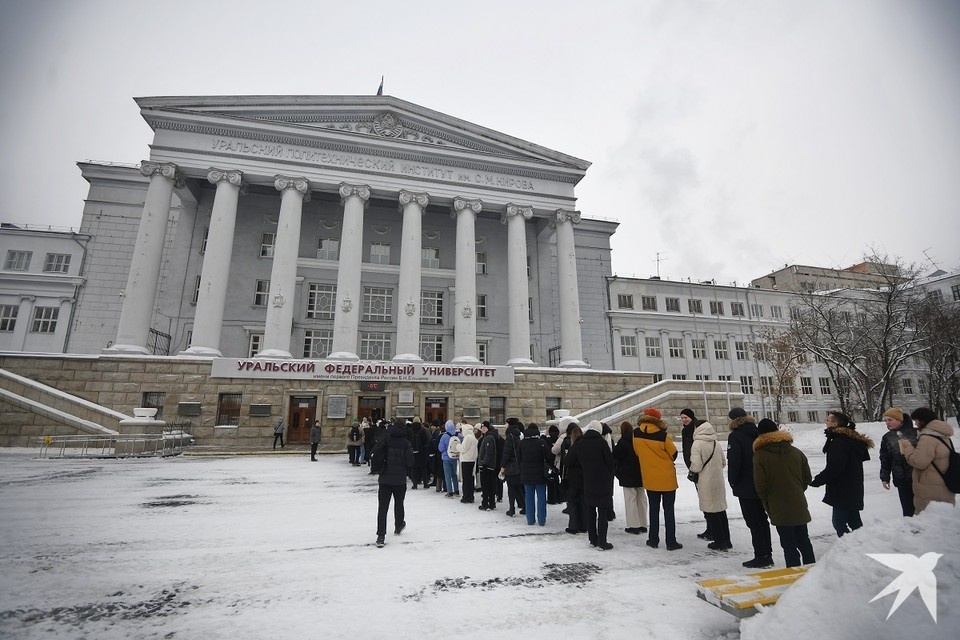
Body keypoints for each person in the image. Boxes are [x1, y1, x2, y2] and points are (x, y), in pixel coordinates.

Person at [753, 418, 816, 568]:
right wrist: (797, 491)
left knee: (788, 545)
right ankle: (813, 573)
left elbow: (760, 486)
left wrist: (766, 502)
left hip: (777, 505)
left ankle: (793, 575)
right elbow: (807, 477)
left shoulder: (760, 456)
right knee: (804, 541)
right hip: (798, 503)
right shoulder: (796, 452)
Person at [810, 410, 874, 537]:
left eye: (828, 420)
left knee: (839, 523)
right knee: (854, 521)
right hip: (852, 487)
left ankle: (849, 548)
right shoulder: (851, 439)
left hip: (842, 489)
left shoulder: (839, 442)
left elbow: (835, 468)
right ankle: (862, 545)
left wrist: (817, 481)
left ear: (835, 423)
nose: (825, 422)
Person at [726, 407, 773, 568]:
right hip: (761, 482)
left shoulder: (735, 436)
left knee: (753, 521)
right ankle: (767, 553)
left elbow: (735, 462)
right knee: (762, 520)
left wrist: (733, 482)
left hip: (745, 485)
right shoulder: (757, 432)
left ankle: (761, 555)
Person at [632, 407, 682, 550]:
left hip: (650, 478)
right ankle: (671, 542)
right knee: (669, 511)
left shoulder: (636, 434)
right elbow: (673, 454)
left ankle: (653, 539)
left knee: (653, 510)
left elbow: (637, 452)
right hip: (667, 478)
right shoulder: (662, 435)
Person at [899, 407, 957, 513]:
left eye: (916, 421)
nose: (915, 424)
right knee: (943, 523)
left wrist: (907, 447)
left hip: (930, 491)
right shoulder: (942, 435)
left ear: (922, 420)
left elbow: (919, 462)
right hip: (943, 486)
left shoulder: (927, 438)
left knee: (927, 523)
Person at [572, 420, 617, 550]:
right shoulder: (602, 443)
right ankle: (602, 541)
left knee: (590, 510)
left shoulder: (581, 443)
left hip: (588, 480)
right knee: (602, 512)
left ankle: (593, 539)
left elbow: (580, 460)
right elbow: (610, 461)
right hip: (603, 481)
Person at [690, 420, 731, 551]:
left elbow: (696, 466)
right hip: (718, 480)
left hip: (705, 481)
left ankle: (719, 542)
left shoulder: (697, 444)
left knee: (711, 511)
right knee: (721, 511)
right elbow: (723, 462)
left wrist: (693, 470)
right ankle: (727, 540)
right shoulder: (716, 442)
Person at [373, 419, 415, 548]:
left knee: (382, 508)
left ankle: (381, 535)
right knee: (399, 503)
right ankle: (398, 525)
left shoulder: (386, 439)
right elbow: (410, 462)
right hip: (400, 479)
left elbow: (375, 452)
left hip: (385, 478)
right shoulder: (406, 443)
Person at [879, 407, 918, 517]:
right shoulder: (887, 437)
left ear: (900, 420)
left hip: (919, 477)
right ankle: (912, 532)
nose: (887, 423)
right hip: (901, 479)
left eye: (890, 420)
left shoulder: (916, 433)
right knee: (908, 511)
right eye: (885, 420)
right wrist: (885, 477)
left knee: (923, 510)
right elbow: (885, 459)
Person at [679, 408, 710, 540]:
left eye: (686, 417)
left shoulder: (696, 429)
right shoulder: (685, 430)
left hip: (699, 468)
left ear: (692, 417)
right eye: (682, 418)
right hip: (693, 468)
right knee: (703, 499)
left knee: (707, 499)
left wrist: (694, 467)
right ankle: (710, 527)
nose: (684, 420)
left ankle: (712, 528)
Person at [613, 421, 647, 535]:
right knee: (641, 498)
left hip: (627, 474)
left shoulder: (623, 442)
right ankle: (643, 523)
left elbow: (615, 455)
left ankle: (633, 525)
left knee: (630, 499)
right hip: (641, 473)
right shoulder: (638, 440)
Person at [518, 422, 552, 526]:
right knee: (541, 497)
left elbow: (519, 459)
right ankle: (541, 520)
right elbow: (549, 457)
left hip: (526, 473)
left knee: (528, 497)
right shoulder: (542, 443)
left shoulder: (522, 443)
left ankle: (530, 520)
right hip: (540, 474)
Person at [561, 423, 587, 535]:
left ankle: (573, 526)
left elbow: (567, 462)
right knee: (583, 502)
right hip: (584, 477)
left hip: (573, 477)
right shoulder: (586, 445)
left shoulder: (574, 447)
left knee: (572, 503)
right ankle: (584, 525)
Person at [500, 418, 525, 516]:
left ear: (509, 424)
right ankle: (525, 506)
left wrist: (502, 465)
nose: (505, 425)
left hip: (511, 465)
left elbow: (507, 452)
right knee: (518, 487)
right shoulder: (519, 434)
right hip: (518, 464)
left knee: (511, 488)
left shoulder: (510, 435)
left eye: (506, 423)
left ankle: (512, 509)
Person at [457, 419, 479, 503]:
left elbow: (464, 449)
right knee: (471, 479)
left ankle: (466, 497)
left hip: (466, 460)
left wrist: (458, 446)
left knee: (466, 480)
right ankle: (470, 496)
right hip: (472, 460)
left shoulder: (467, 438)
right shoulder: (473, 437)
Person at [478, 422, 499, 511]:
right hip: (487, 466)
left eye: (485, 427)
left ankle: (486, 503)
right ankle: (491, 503)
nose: (483, 428)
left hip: (487, 466)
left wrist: (484, 463)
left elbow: (489, 453)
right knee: (489, 485)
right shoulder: (486, 437)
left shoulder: (489, 438)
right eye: (482, 427)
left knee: (486, 486)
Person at [439, 420, 461, 497]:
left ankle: (449, 492)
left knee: (447, 475)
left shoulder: (444, 436)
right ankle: (456, 490)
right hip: (455, 457)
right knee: (454, 474)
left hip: (446, 458)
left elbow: (440, 448)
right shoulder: (458, 435)